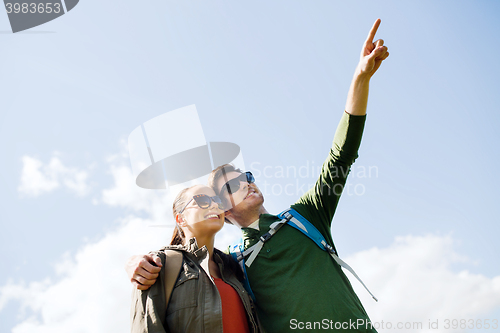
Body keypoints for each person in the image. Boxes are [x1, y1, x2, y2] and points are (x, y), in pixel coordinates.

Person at [127, 19, 389, 332]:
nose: (246, 183)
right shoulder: (232, 265)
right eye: (231, 185)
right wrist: (135, 263)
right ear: (221, 210)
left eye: (246, 175)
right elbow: (187, 259)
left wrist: (360, 78)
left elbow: (340, 156)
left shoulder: (306, 218)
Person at [130, 184, 261, 333]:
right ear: (181, 219)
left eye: (217, 201)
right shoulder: (158, 264)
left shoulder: (234, 268)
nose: (213, 205)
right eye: (202, 200)